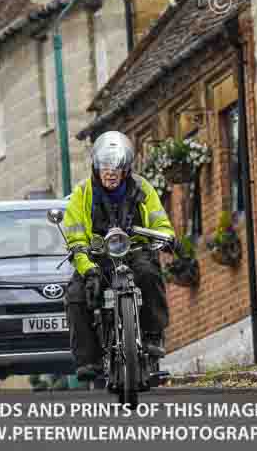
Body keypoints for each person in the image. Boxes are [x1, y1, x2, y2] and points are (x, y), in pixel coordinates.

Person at [63, 131, 175, 381]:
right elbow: (75, 237)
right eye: (105, 167)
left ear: (125, 170)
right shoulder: (82, 194)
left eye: (116, 167)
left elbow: (159, 220)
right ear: (96, 167)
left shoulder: (142, 188)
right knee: (76, 294)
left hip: (134, 250)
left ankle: (152, 335)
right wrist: (87, 268)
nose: (110, 173)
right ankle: (88, 359)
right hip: (97, 256)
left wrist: (165, 236)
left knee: (149, 273)